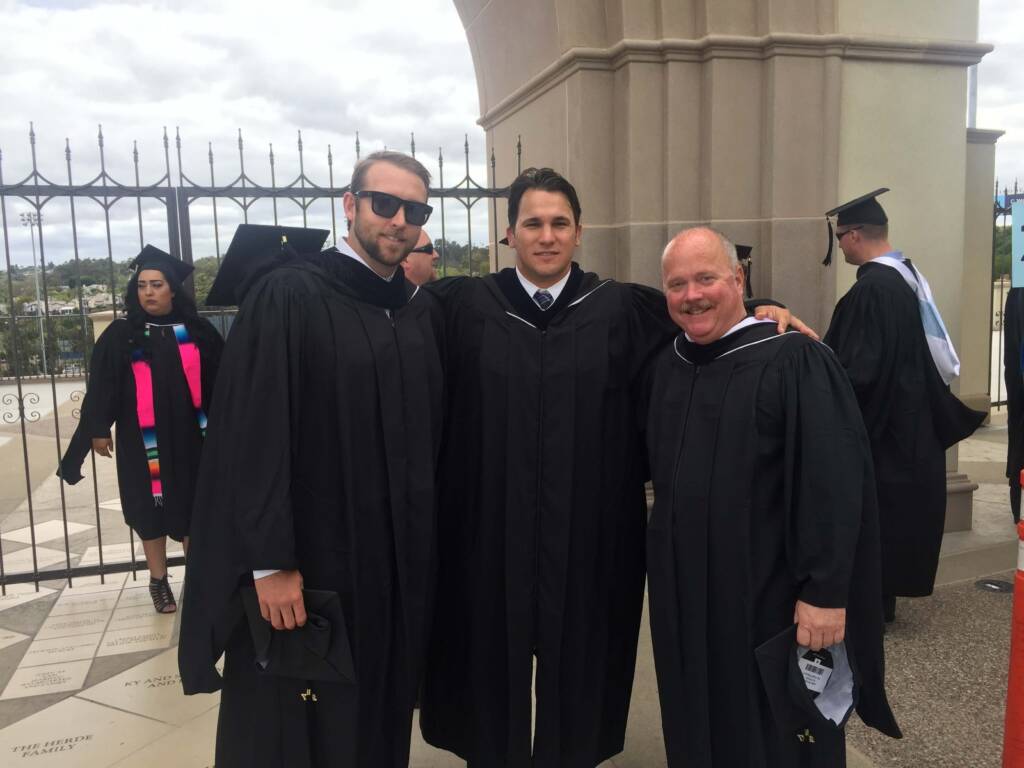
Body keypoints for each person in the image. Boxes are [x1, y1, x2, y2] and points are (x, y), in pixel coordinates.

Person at [419, 167, 806, 768]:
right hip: (486, 533)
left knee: (583, 664)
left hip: (591, 535)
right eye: (532, 223)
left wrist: (760, 308)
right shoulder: (463, 305)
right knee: (485, 660)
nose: (547, 236)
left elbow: (701, 318)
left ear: (580, 231)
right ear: (509, 233)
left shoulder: (620, 307)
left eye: (560, 223)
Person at [178, 151, 445, 768]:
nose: (399, 221)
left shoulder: (416, 310)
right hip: (313, 561)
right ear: (349, 205)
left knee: (379, 710)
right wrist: (271, 562)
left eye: (414, 211)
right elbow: (254, 433)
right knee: (298, 726)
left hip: (394, 561)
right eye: (384, 203)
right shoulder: (290, 295)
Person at [646, 226, 901, 767]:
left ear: (738, 280)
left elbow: (833, 484)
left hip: (766, 597)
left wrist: (826, 592)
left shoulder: (794, 361)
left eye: (707, 278)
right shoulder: (670, 364)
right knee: (694, 718)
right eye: (677, 284)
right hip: (685, 595)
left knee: (773, 731)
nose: (692, 295)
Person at [822, 189, 985, 621]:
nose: (840, 246)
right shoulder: (907, 278)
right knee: (890, 521)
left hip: (883, 431)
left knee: (875, 520)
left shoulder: (873, 290)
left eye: (839, 237)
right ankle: (881, 604)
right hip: (908, 424)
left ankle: (871, 609)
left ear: (854, 235)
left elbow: (858, 371)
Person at [58, 246, 223, 613]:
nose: (148, 292)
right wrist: (98, 428)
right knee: (149, 508)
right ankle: (158, 580)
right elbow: (102, 386)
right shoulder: (122, 334)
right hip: (142, 440)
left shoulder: (198, 332)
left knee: (194, 507)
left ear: (173, 290)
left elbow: (223, 383)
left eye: (157, 285)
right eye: (142, 285)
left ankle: (197, 581)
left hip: (192, 438)